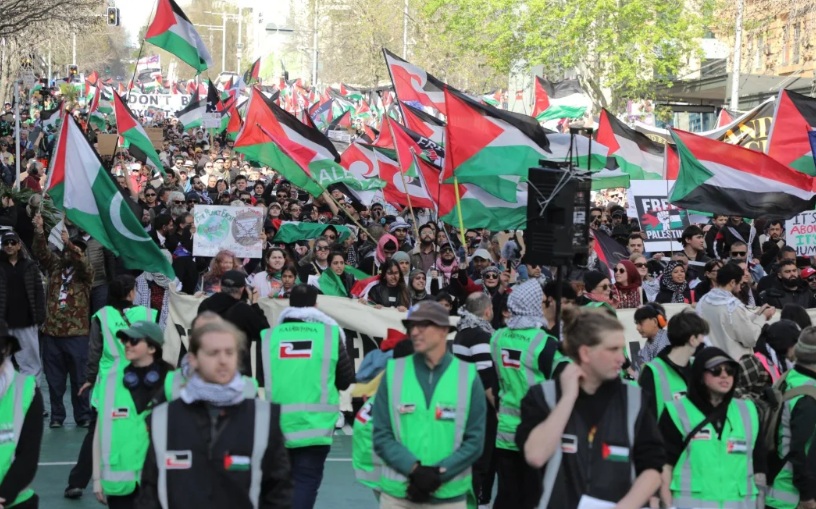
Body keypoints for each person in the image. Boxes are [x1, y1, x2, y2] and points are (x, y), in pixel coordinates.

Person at [517, 307, 664, 509]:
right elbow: (536, 455)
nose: (622, 359)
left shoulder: (634, 399)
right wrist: (568, 397)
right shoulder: (543, 396)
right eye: (613, 349)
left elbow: (653, 469)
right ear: (586, 353)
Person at [136, 321, 293, 508]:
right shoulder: (164, 418)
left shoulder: (265, 417)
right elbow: (150, 492)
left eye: (229, 352)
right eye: (213, 353)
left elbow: (278, 492)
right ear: (193, 359)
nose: (223, 360)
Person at [371, 301, 486, 508]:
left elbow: (474, 440)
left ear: (443, 330)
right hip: (399, 496)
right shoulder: (393, 372)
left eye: (423, 325)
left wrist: (438, 474)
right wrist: (414, 470)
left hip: (448, 496)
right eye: (411, 326)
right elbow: (381, 434)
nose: (414, 332)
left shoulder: (467, 376)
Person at [260, 284, 355, 509]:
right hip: (316, 426)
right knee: (306, 482)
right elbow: (345, 379)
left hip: (278, 425)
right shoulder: (330, 335)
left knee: (279, 485)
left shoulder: (269, 336)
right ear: (316, 305)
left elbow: (265, 378)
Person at [66, 275, 158, 499]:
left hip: (109, 386)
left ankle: (76, 483)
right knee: (147, 431)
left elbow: (94, 353)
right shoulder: (147, 315)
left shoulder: (102, 316)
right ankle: (146, 482)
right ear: (131, 293)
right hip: (142, 385)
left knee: (95, 434)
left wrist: (89, 378)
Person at [659, 347, 765, 509]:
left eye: (730, 370)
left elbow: (759, 465)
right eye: (716, 370)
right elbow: (665, 465)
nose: (724, 375)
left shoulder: (748, 411)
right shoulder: (677, 412)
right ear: (700, 376)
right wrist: (666, 505)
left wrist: (760, 502)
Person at [490, 280, 562, 509]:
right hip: (536, 432)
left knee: (507, 496)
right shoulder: (546, 343)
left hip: (505, 431)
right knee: (534, 498)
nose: (543, 306)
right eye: (540, 302)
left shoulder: (497, 337)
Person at [93, 321, 171, 509]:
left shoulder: (173, 382)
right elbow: (99, 433)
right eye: (126, 339)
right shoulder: (110, 382)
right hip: (121, 486)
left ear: (152, 347)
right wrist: (96, 479)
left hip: (160, 482)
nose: (127, 344)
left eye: (134, 340)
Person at [32, 216, 93, 428]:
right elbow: (41, 253)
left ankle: (83, 415)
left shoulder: (86, 274)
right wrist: (39, 230)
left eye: (77, 249)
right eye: (68, 248)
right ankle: (58, 416)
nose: (72, 251)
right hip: (52, 333)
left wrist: (70, 243)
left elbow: (84, 264)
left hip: (76, 334)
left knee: (79, 379)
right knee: (55, 380)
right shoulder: (56, 267)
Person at [453, 293, 498, 508]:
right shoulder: (481, 336)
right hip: (480, 408)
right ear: (487, 311)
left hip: (464, 404)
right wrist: (497, 407)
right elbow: (486, 376)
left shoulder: (462, 332)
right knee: (481, 462)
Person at [767, 326, 816, 509]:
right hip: (793, 498)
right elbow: (801, 449)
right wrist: (807, 496)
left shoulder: (790, 377)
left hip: (776, 487)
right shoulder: (808, 396)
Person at [0, 322, 44, 509]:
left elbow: (28, 455)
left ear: (5, 349)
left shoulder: (27, 390)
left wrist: (3, 496)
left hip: (13, 500)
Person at [198, 270, 270, 382]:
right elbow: (264, 332)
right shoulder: (243, 310)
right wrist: (255, 304)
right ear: (242, 289)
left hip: (209, 366)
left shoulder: (205, 305)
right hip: (237, 370)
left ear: (220, 286)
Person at [697, 262, 775, 361]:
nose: (740, 288)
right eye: (740, 283)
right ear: (732, 282)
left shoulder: (704, 300)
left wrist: (758, 314)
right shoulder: (732, 306)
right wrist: (763, 317)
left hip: (710, 359)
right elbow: (750, 338)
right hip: (732, 363)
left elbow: (733, 324)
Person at [639, 311, 706, 419]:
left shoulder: (697, 367)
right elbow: (644, 419)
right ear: (692, 340)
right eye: (702, 336)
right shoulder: (652, 372)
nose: (703, 341)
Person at [0, 230, 45, 377]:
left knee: (31, 364)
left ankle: (32, 397)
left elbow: (39, 292)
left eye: (13, 242)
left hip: (26, 323)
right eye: (6, 243)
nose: (9, 246)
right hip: (4, 325)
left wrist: (39, 316)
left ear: (19, 245)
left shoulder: (30, 266)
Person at [736, 320, 800, 401]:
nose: (798, 348)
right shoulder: (755, 363)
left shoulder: (784, 364)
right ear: (785, 344)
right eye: (796, 344)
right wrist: (756, 404)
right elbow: (729, 385)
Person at [633, 302, 671, 372]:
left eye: (640, 323)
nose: (637, 328)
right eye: (637, 323)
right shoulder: (650, 341)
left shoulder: (665, 342)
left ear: (655, 322)